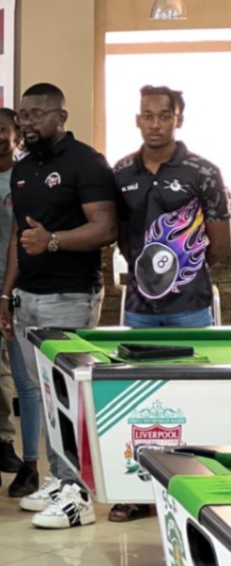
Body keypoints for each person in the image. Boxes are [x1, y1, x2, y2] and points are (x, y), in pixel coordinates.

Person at [0, 83, 118, 529]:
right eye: (23, 115)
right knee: (48, 396)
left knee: (68, 397)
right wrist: (7, 295)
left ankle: (78, 494)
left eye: (37, 114)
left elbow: (106, 228)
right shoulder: (23, 168)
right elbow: (18, 236)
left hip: (70, 297)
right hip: (27, 297)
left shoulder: (86, 162)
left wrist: (52, 241)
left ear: (61, 117)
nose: (27, 122)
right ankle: (61, 478)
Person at [109, 85, 230, 523]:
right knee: (138, 403)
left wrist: (183, 272)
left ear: (178, 119)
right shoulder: (121, 171)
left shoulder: (203, 172)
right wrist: (146, 276)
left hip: (191, 308)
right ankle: (135, 493)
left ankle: (194, 488)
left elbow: (220, 242)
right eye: (147, 115)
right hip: (138, 309)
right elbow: (122, 235)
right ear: (137, 119)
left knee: (191, 399)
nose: (155, 124)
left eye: (164, 116)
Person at [0, 108, 41, 498]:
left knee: (25, 382)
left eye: (3, 129)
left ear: (18, 135)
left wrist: (9, 291)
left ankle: (31, 463)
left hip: (18, 291)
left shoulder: (28, 175)